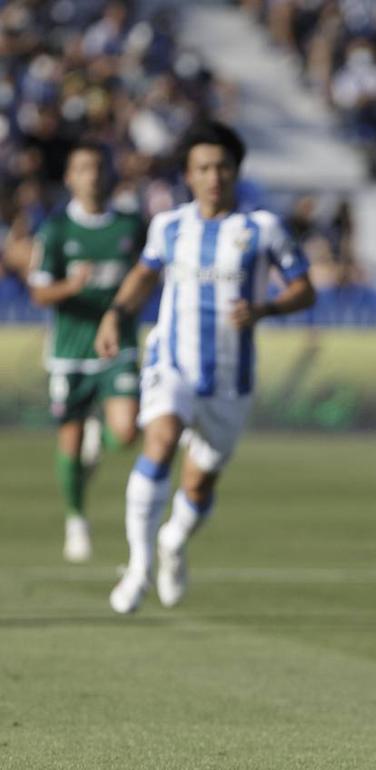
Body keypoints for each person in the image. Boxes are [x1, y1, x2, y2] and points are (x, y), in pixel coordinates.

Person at [96, 120, 316, 614]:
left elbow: (305, 288)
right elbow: (143, 275)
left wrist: (266, 309)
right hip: (171, 361)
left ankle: (173, 543)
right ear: (188, 176)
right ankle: (138, 566)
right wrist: (116, 312)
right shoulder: (168, 226)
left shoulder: (262, 229)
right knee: (160, 437)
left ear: (235, 171)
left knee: (198, 483)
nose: (213, 176)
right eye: (203, 167)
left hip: (229, 379)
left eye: (222, 166)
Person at [26, 141, 144, 562]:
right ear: (70, 178)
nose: (91, 175)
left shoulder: (131, 225)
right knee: (70, 439)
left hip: (119, 344)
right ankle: (76, 520)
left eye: (97, 166)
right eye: (82, 168)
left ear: (108, 174)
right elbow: (39, 291)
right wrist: (70, 287)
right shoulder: (56, 230)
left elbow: (148, 275)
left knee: (127, 433)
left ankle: (104, 437)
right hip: (70, 350)